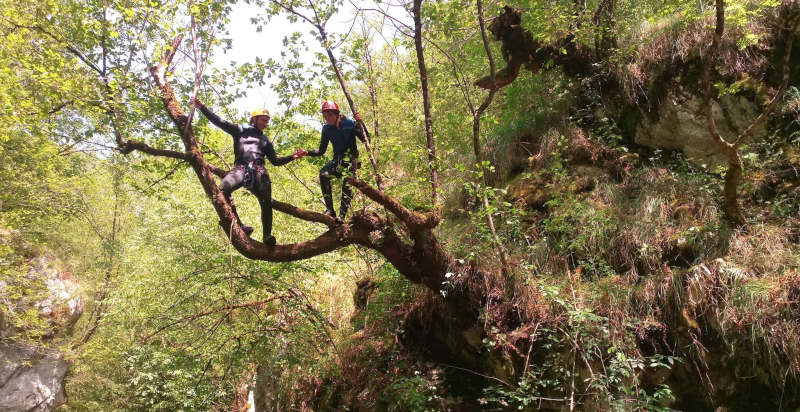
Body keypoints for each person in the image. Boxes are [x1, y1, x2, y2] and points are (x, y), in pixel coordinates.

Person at [192, 97, 307, 246]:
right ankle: (239, 225)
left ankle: (267, 236)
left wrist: (293, 156)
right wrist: (202, 107)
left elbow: (275, 161)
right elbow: (220, 122)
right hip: (240, 169)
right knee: (222, 190)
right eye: (263, 120)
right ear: (254, 119)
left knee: (266, 202)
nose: (265, 123)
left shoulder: (265, 140)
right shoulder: (239, 130)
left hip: (260, 172)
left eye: (267, 121)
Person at [305, 100, 365, 220]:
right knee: (323, 174)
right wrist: (307, 152)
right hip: (338, 161)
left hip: (352, 160)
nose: (327, 118)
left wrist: (360, 123)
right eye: (325, 115)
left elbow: (365, 139)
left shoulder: (349, 123)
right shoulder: (326, 129)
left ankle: (341, 217)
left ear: (336, 114)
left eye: (330, 115)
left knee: (347, 182)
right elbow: (321, 151)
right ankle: (330, 211)